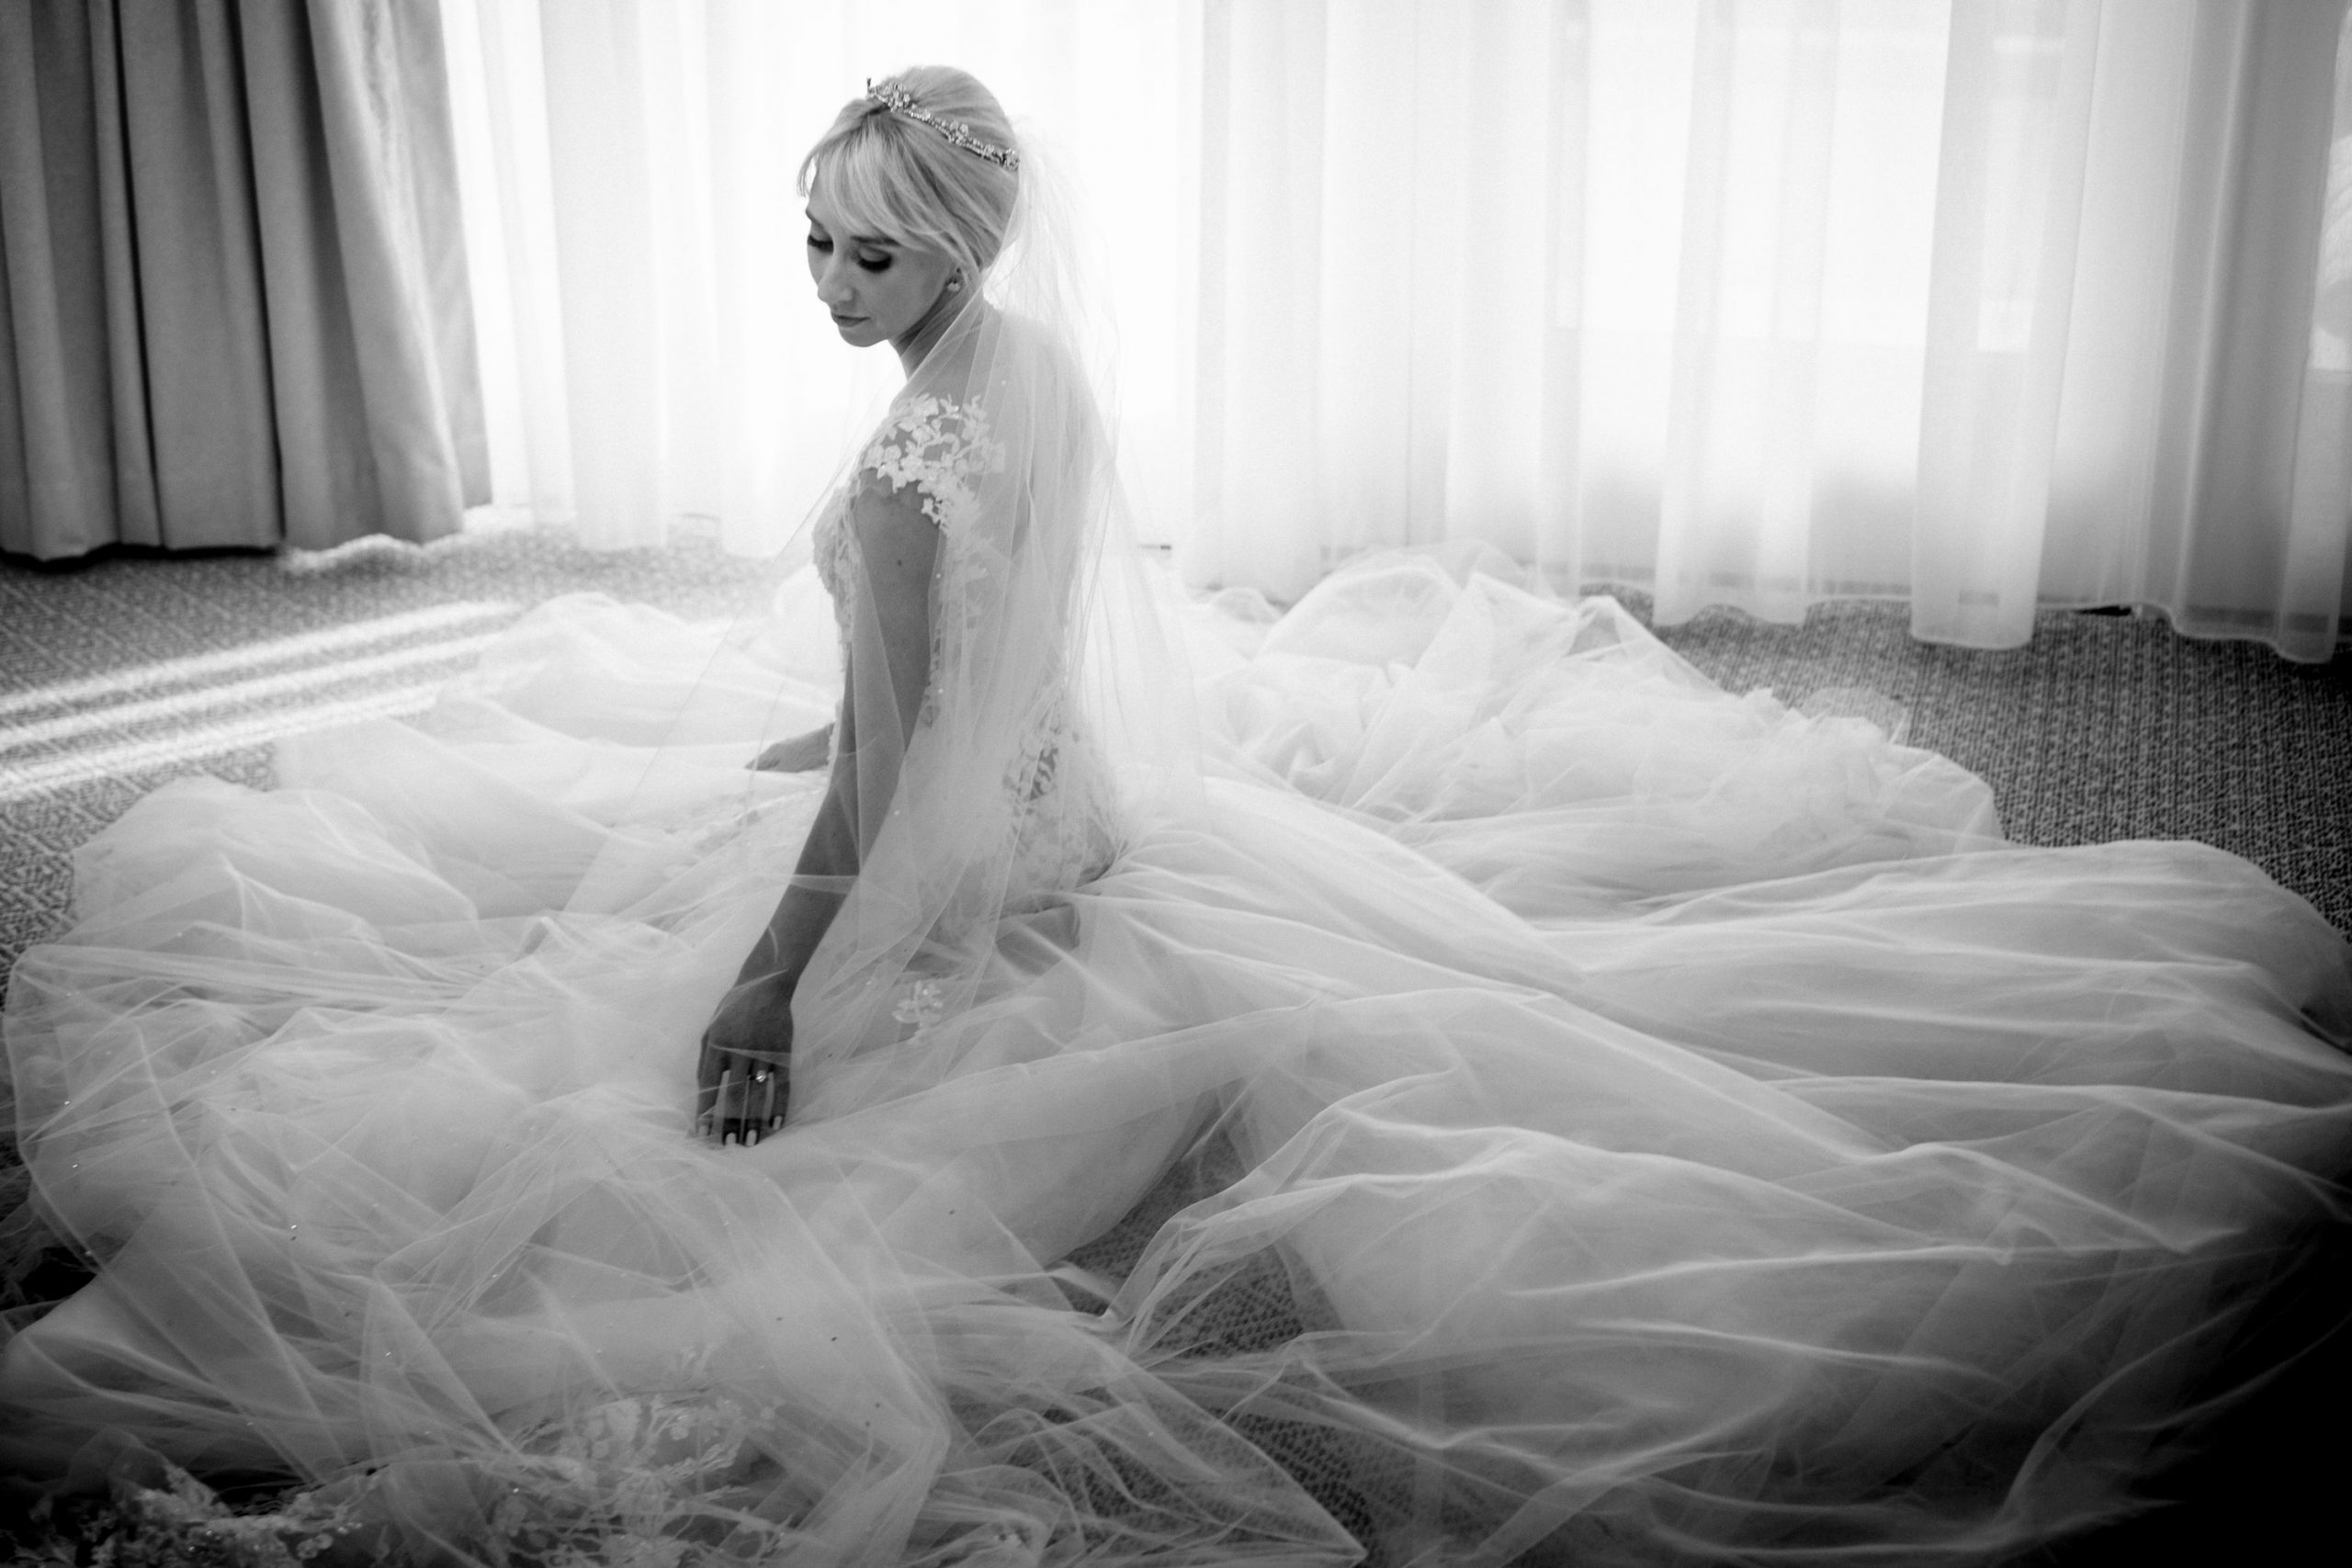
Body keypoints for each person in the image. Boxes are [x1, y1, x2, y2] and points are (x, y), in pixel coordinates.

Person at [2, 66, 2348, 1568]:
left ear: (959, 252)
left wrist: (765, 980)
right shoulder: (1029, 367)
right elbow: (1002, 682)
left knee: (564, 1165)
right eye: (811, 238)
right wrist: (871, 752)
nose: (829, 285)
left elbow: (899, 764)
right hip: (1076, 823)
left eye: (871, 253)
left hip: (959, 864)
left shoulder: (909, 466)